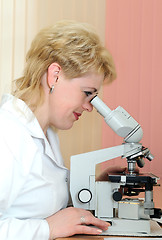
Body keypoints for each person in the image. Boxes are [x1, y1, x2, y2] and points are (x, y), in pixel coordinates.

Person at [0, 20, 116, 240]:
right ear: (55, 75)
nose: (89, 107)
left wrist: (97, 186)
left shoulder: (45, 133)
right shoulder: (8, 134)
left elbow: (42, 196)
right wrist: (47, 229)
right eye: (87, 93)